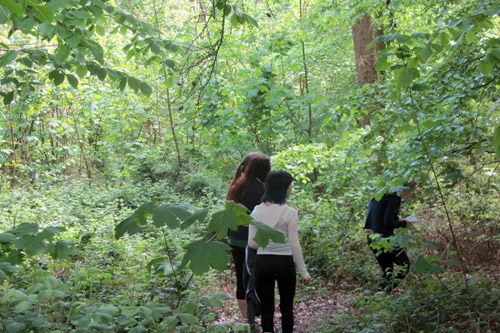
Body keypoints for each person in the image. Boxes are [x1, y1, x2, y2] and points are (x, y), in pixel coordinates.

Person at [248, 170, 311, 333]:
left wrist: (266, 245)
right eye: (290, 186)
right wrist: (304, 273)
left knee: (267, 308)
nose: (290, 189)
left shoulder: (256, 211)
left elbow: (251, 244)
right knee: (287, 308)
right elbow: (294, 244)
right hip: (284, 264)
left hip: (263, 264)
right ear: (283, 188)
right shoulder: (290, 212)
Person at [226, 153, 271, 319]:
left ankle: (247, 319)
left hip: (235, 240)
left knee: (242, 279)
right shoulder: (262, 190)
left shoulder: (237, 186)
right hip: (253, 242)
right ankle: (257, 317)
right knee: (259, 280)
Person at [363, 180, 416, 292]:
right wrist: (403, 223)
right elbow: (387, 221)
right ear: (405, 189)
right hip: (384, 239)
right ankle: (386, 292)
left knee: (388, 270)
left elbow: (380, 216)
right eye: (411, 191)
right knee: (405, 265)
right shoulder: (394, 198)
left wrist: (399, 219)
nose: (410, 195)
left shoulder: (379, 194)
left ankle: (380, 296)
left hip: (371, 237)